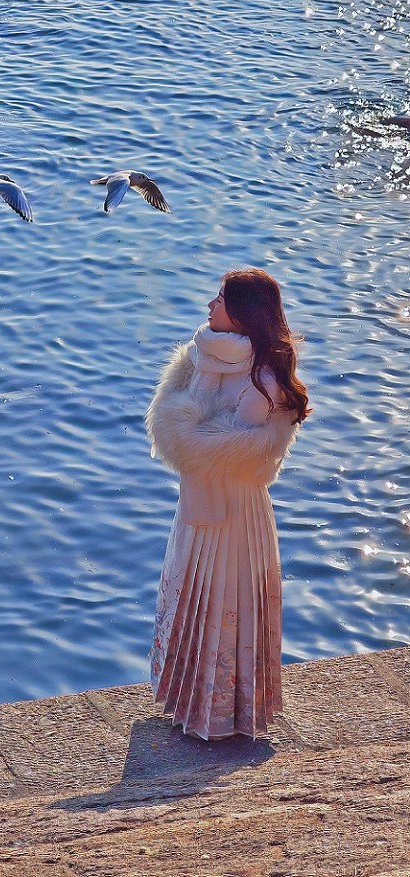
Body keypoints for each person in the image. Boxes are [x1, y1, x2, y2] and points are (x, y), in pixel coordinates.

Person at [145, 268, 310, 740]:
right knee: (191, 594)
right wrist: (190, 423)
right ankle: (187, 703)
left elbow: (221, 449)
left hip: (234, 510)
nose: (209, 306)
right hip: (198, 502)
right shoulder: (202, 356)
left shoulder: (264, 378)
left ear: (242, 313)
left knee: (221, 600)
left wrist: (187, 427)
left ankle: (225, 715)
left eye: (219, 299)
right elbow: (194, 431)